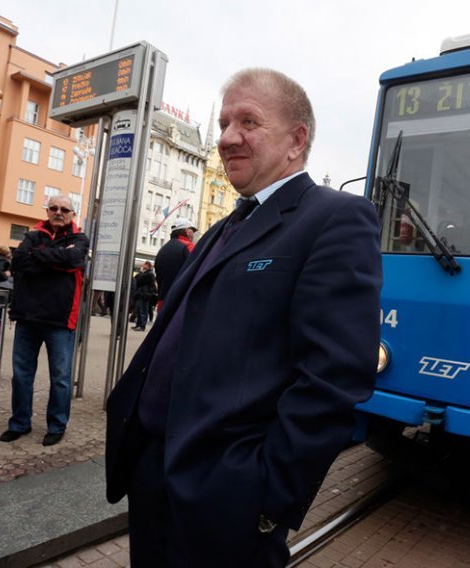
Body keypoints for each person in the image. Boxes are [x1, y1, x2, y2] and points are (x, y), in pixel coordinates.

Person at [105, 68, 383, 567]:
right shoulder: (221, 229)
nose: (228, 137)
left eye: (249, 122)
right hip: (155, 472)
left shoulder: (334, 218)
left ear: (296, 140)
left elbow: (335, 376)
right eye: (224, 123)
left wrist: (267, 496)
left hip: (226, 492)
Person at [0, 195, 89, 446]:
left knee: (60, 377)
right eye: (53, 208)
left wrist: (39, 257)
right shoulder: (32, 235)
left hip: (60, 319)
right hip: (27, 316)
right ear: (47, 211)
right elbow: (19, 261)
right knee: (21, 375)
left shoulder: (79, 239)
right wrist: (56, 258)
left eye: (64, 209)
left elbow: (74, 261)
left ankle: (57, 425)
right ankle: (20, 423)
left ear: (72, 213)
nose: (58, 212)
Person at [152, 217, 196, 311]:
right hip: (180, 302)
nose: (193, 234)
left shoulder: (163, 249)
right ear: (187, 231)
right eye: (192, 231)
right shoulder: (188, 246)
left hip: (162, 301)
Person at [131, 261, 157, 331]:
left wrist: (141, 272)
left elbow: (139, 280)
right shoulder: (147, 273)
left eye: (144, 264)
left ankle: (142, 326)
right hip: (142, 293)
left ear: (148, 265)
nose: (142, 265)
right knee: (139, 310)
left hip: (145, 294)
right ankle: (138, 325)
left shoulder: (149, 274)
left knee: (143, 311)